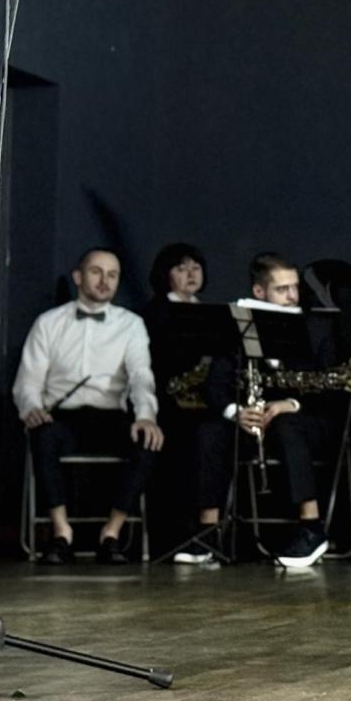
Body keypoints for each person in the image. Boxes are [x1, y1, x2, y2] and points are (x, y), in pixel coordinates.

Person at [14, 248, 164, 565]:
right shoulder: (49, 323)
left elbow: (141, 376)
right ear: (78, 277)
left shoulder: (131, 324)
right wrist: (33, 408)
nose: (104, 280)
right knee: (41, 433)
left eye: (112, 275)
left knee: (147, 439)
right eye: (96, 272)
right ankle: (61, 533)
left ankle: (111, 533)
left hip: (109, 417)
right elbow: (28, 382)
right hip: (62, 417)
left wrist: (146, 416)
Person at [235, 253, 343, 568]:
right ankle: (213, 533)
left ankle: (311, 526)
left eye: (295, 287)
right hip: (253, 421)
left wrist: (290, 404)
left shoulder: (318, 328)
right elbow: (219, 380)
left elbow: (332, 388)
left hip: (311, 420)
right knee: (211, 430)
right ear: (259, 292)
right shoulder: (242, 324)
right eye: (283, 290)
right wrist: (237, 412)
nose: (293, 296)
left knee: (288, 424)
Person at [141, 242, 236, 564]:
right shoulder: (153, 314)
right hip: (167, 404)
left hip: (207, 404)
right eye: (181, 268)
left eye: (195, 267)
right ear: (165, 275)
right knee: (185, 438)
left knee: (215, 435)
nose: (191, 274)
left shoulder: (215, 315)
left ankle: (210, 533)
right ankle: (181, 535)